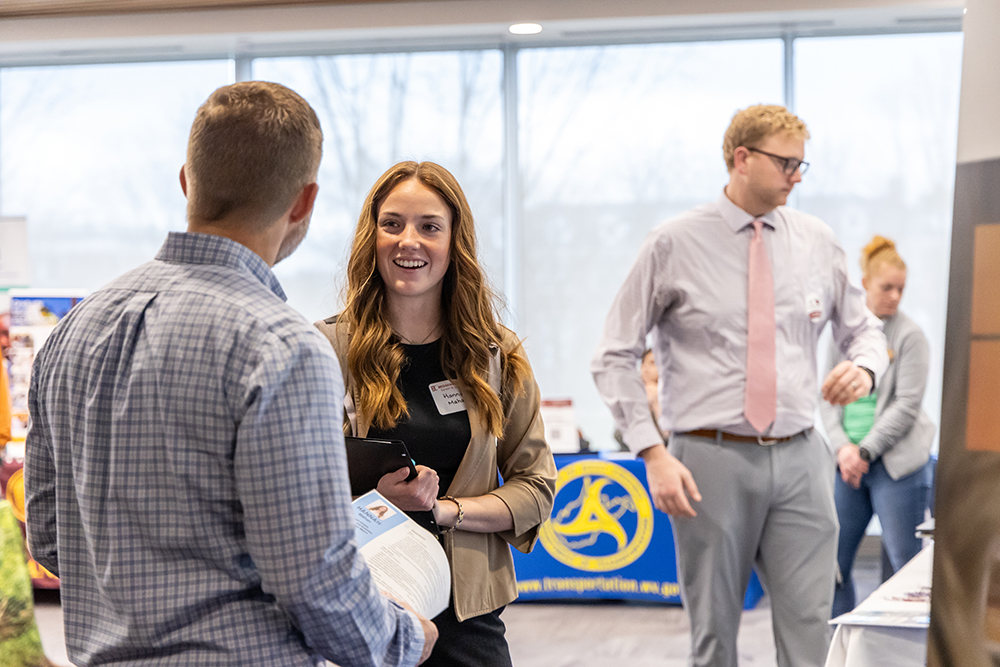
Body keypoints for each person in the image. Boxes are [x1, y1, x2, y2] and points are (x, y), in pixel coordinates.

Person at [23, 81, 435, 667]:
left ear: (187, 180)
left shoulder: (75, 329)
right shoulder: (283, 347)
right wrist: (405, 638)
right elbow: (312, 577)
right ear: (303, 202)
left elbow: (51, 535)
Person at [592, 104, 889, 667]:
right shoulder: (672, 243)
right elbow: (613, 354)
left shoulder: (817, 240)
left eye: (803, 165)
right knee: (714, 638)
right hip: (708, 458)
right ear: (741, 158)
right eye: (785, 163)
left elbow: (864, 331)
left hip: (802, 457)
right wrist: (651, 453)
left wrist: (867, 368)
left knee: (809, 631)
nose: (797, 177)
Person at [315, 160, 556, 667]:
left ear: (454, 242)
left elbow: (536, 488)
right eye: (392, 223)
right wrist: (375, 503)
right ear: (371, 237)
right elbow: (292, 488)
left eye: (429, 227)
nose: (409, 241)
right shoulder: (326, 348)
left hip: (467, 618)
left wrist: (444, 510)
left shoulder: (497, 355)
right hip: (362, 610)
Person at [822, 235, 934, 618]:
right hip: (848, 466)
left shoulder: (910, 337)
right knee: (833, 565)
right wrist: (843, 450)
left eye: (901, 288)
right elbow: (826, 399)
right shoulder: (841, 336)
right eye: (887, 287)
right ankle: (840, 643)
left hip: (896, 467)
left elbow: (905, 407)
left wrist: (864, 451)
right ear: (865, 283)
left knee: (905, 566)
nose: (895, 296)